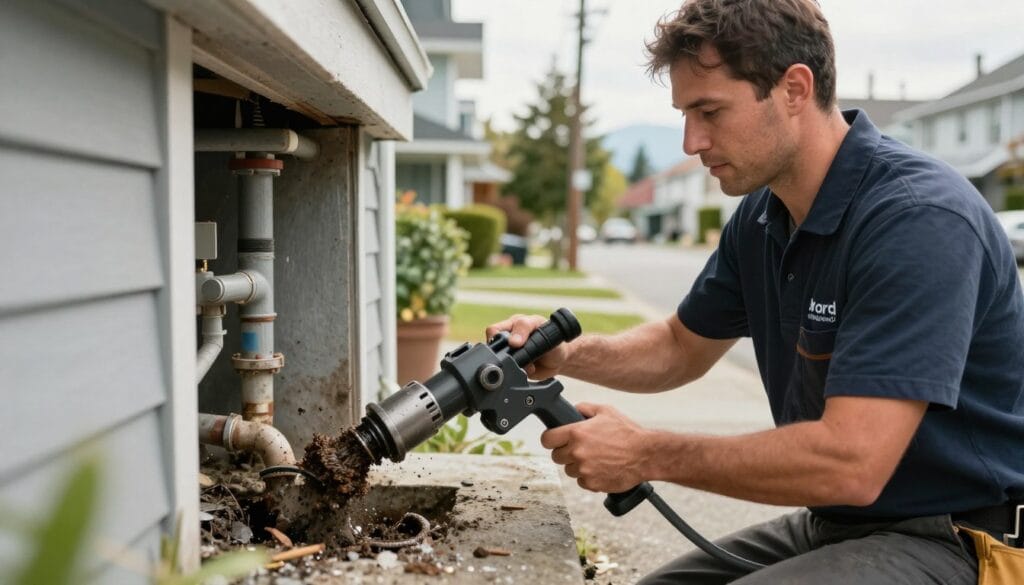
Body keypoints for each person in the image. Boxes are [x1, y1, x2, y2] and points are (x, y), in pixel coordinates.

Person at [487, 0, 1024, 583]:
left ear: (794, 89)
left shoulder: (918, 220)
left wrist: (645, 453)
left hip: (963, 537)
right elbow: (678, 345)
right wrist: (564, 354)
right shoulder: (764, 216)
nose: (692, 142)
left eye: (710, 111)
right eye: (685, 115)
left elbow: (852, 462)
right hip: (844, 524)